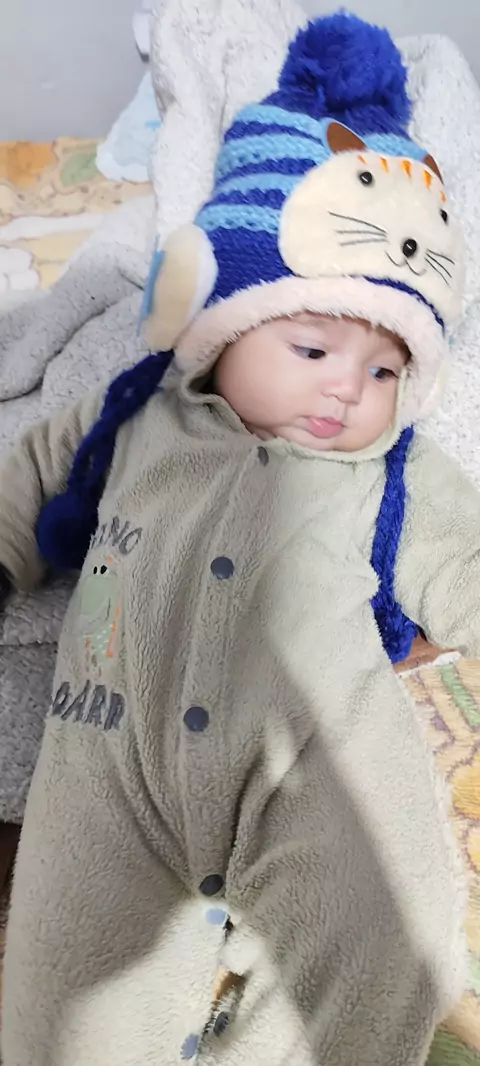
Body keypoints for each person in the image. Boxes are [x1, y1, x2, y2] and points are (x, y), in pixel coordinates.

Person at [0, 12, 473, 1066]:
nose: (347, 388)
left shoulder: (386, 463)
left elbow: (465, 558)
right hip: (111, 754)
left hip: (319, 749)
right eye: (312, 346)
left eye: (384, 368)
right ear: (226, 321)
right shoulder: (135, 417)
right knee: (64, 1000)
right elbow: (24, 483)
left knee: (393, 935)